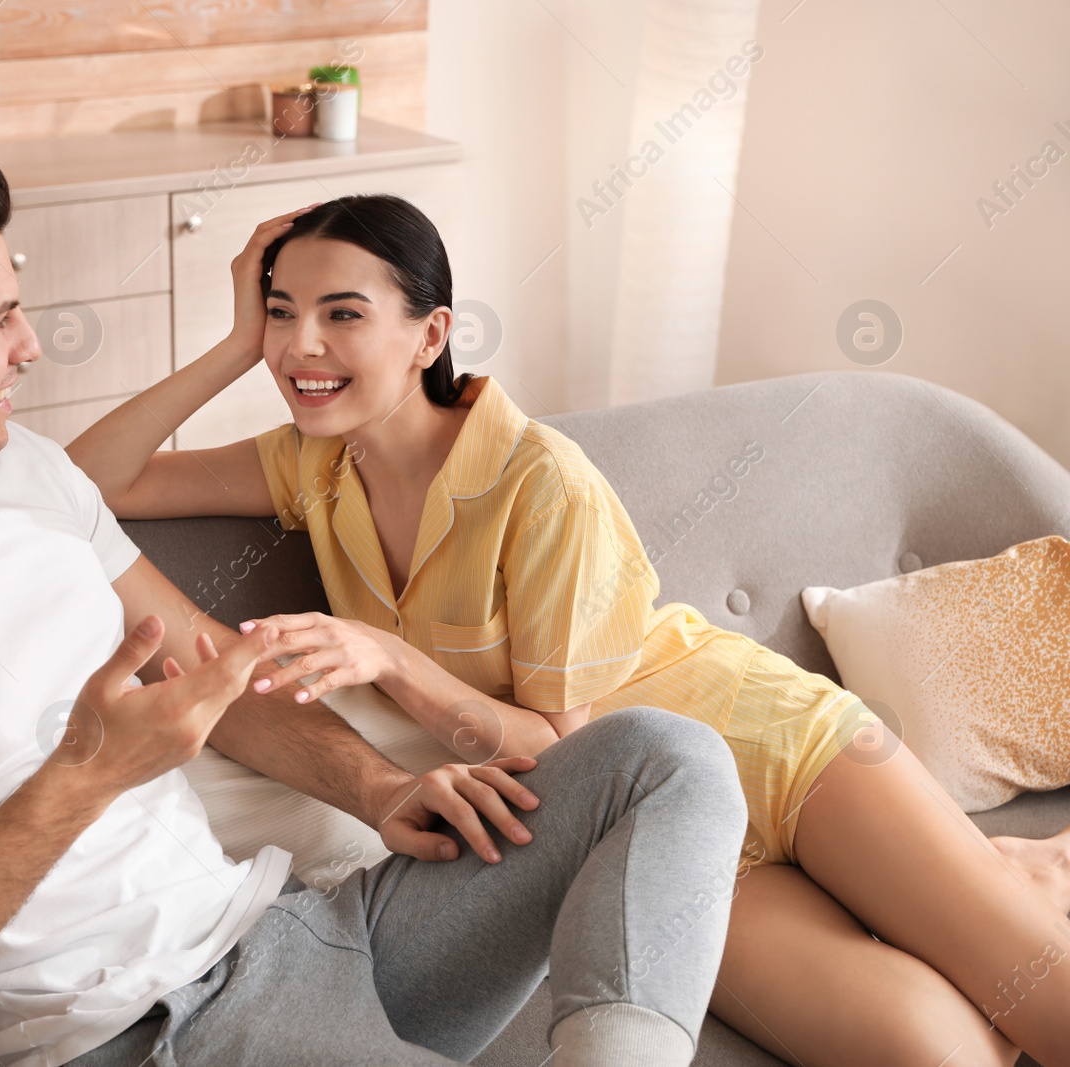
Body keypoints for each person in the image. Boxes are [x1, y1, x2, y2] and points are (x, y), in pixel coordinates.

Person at [0, 132, 752, 1067]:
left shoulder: (16, 469)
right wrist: (83, 777)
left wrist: (379, 788)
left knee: (669, 756)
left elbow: (210, 661)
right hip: (140, 1031)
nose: (32, 344)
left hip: (295, 929)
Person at [67, 193, 1070, 1067]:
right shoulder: (308, 462)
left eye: (342, 315)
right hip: (650, 830)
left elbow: (561, 738)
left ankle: (979, 874)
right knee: (932, 1051)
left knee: (1050, 1008)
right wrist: (237, 339)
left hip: (774, 751)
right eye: (284, 314)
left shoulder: (536, 480)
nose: (303, 347)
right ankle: (1002, 871)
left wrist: (390, 658)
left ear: (429, 334)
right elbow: (90, 478)